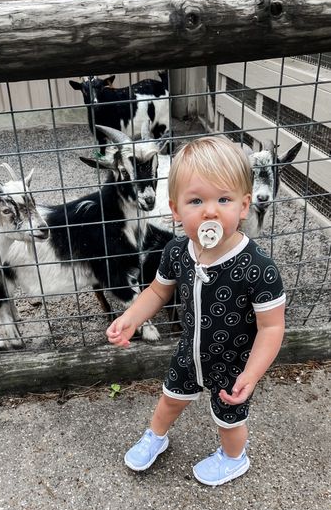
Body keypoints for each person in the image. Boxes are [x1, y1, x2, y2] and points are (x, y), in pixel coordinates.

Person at [106, 136, 286, 486]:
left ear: (244, 205)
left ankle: (235, 458)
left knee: (229, 419)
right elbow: (158, 291)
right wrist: (130, 318)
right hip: (189, 352)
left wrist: (251, 375)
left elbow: (272, 328)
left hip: (234, 363)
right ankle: (156, 436)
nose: (210, 211)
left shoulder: (258, 268)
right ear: (175, 210)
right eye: (196, 200)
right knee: (169, 399)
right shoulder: (176, 252)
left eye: (223, 199)